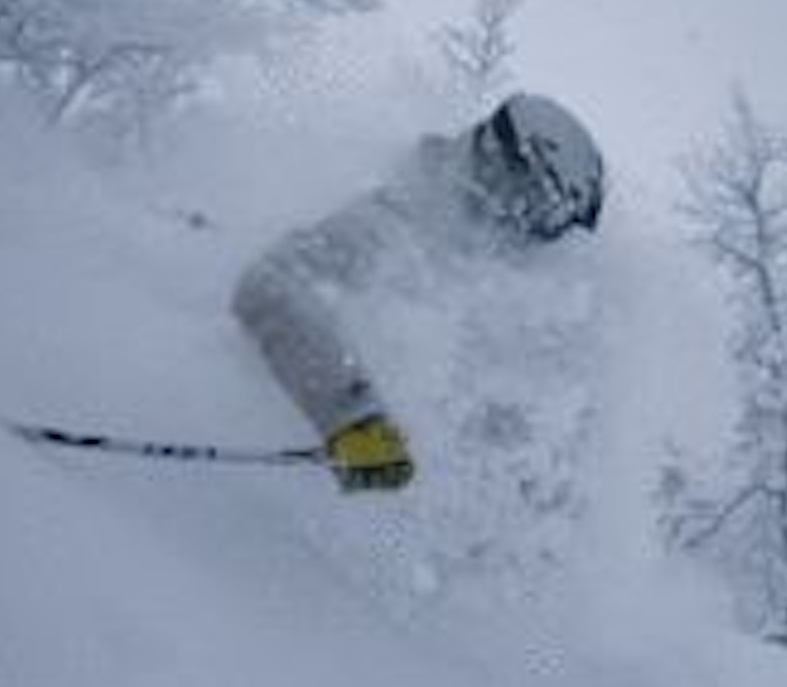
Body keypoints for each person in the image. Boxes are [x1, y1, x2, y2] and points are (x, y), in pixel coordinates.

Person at [233, 93, 606, 492]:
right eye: (530, 208)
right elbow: (268, 284)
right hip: (262, 470)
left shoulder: (490, 285)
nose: (528, 233)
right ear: (496, 172)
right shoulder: (394, 221)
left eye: (549, 225)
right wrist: (354, 417)